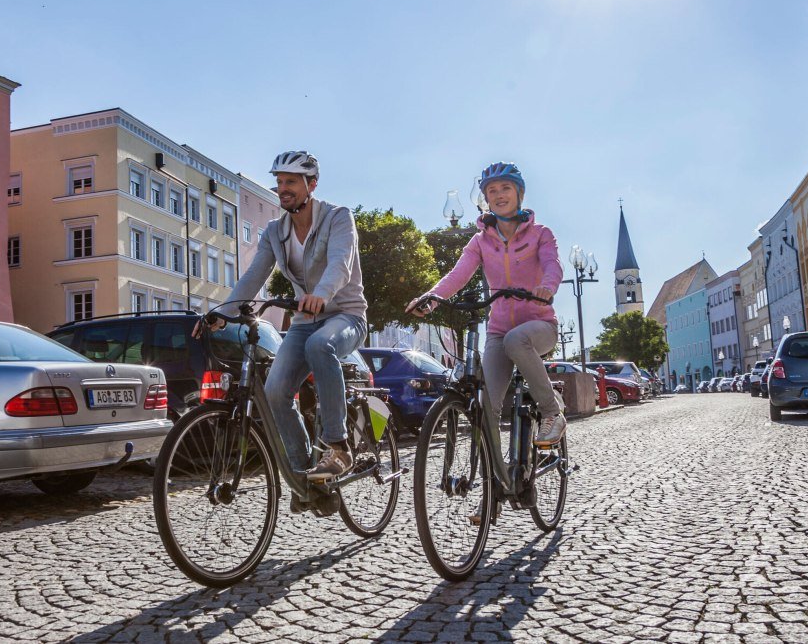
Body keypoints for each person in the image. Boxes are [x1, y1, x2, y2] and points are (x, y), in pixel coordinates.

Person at [196, 151, 368, 487]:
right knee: (275, 392)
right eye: (279, 182)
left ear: (311, 184)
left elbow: (340, 263)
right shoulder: (275, 231)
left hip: (345, 315)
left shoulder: (338, 217)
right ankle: (304, 478)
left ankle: (338, 446)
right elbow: (254, 276)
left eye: (291, 181)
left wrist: (322, 293)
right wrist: (221, 313)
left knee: (320, 345)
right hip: (305, 321)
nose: (283, 188)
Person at [407, 161, 566, 446]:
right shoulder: (480, 241)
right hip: (498, 331)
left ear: (519, 193)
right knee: (486, 409)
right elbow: (458, 275)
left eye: (506, 188)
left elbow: (552, 264)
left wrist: (547, 286)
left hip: (540, 325)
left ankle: (552, 413)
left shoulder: (540, 234)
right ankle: (496, 471)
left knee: (517, 340)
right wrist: (432, 299)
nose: (499, 194)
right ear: (486, 199)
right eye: (492, 190)